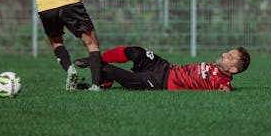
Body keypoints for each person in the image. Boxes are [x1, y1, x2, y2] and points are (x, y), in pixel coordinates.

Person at [74, 46, 251, 92]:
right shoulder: (215, 67)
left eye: (230, 57)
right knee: (135, 52)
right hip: (163, 66)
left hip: (159, 83)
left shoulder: (222, 81)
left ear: (233, 70)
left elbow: (225, 89)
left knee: (109, 70)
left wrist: (226, 89)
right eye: (228, 52)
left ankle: (101, 81)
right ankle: (94, 59)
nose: (225, 54)